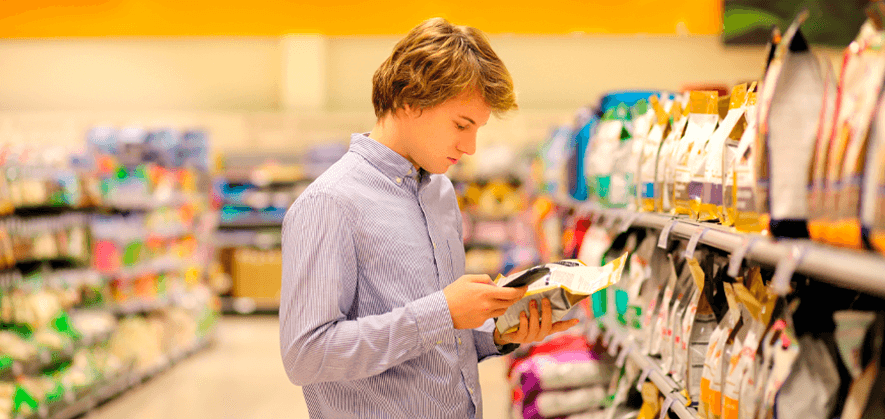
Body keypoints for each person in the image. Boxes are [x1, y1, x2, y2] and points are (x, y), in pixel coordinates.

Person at [279, 17, 579, 418]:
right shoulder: (330, 204)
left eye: (478, 129)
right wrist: (443, 311)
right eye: (461, 125)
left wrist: (501, 331)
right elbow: (306, 355)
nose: (471, 147)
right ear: (410, 101)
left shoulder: (438, 192)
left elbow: (440, 342)